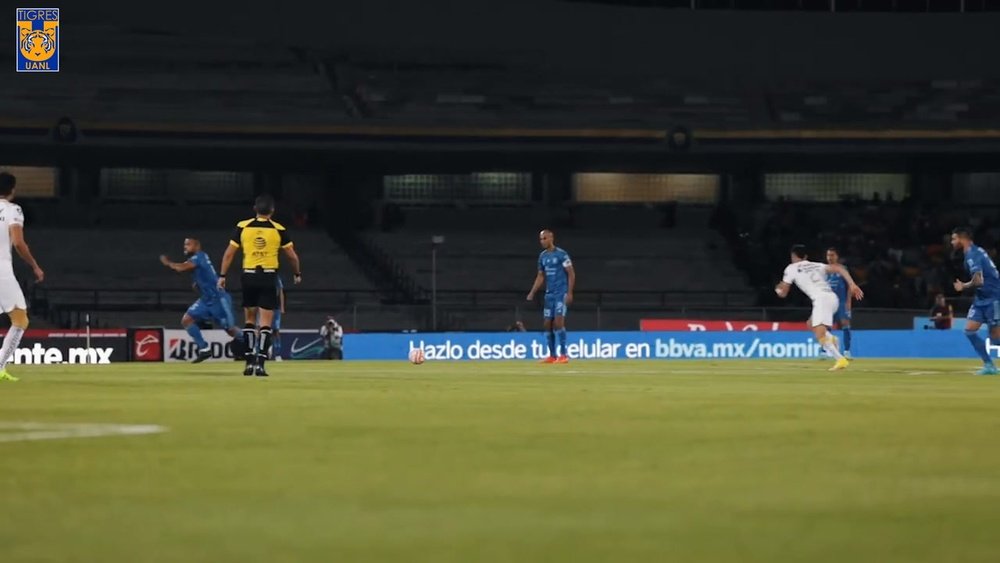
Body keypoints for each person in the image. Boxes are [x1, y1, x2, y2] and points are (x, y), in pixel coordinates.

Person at [218, 195, 302, 377]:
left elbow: (228, 254)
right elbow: (292, 256)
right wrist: (297, 273)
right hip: (268, 276)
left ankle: (248, 363)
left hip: (248, 276)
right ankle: (261, 364)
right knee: (265, 323)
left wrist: (222, 275)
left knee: (249, 320)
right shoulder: (279, 229)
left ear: (255, 209)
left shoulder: (243, 226)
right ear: (272, 211)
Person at [775, 245, 864, 371]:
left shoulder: (791, 268)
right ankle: (831, 338)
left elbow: (783, 293)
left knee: (818, 332)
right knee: (810, 323)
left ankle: (840, 359)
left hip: (821, 299)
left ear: (793, 256)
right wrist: (853, 284)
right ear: (805, 256)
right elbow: (839, 269)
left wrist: (777, 290)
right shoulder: (818, 265)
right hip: (832, 298)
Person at [160, 238, 241, 363]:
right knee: (187, 320)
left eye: (188, 244)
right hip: (206, 300)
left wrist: (168, 263)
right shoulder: (197, 259)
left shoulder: (199, 256)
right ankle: (204, 349)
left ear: (197, 245)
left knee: (230, 329)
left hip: (218, 299)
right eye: (184, 244)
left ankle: (254, 345)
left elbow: (181, 268)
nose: (185, 247)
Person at [0, 172, 44, 382]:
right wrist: (34, 265)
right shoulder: (13, 210)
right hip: (1, 269)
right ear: (12, 190)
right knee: (20, 318)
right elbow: (18, 242)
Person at [951, 227, 1000, 375]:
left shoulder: (973, 255)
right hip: (981, 299)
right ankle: (989, 366)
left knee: (996, 339)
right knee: (970, 331)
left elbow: (978, 281)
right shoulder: (974, 252)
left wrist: (962, 286)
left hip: (993, 298)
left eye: (954, 239)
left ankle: (989, 365)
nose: (952, 242)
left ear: (962, 239)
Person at [526, 229, 575, 364]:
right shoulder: (542, 257)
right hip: (549, 295)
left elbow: (571, 273)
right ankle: (552, 356)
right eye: (541, 239)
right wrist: (532, 292)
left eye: (545, 238)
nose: (542, 241)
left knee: (558, 323)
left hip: (561, 293)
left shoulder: (561, 254)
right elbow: (541, 276)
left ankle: (564, 355)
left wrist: (570, 292)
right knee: (547, 324)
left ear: (551, 238)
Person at [825, 247, 854, 358]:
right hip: (828, 303)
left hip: (841, 302)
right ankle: (825, 351)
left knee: (845, 324)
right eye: (828, 255)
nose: (830, 257)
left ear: (837, 256)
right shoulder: (824, 270)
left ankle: (847, 351)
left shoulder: (842, 269)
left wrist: (848, 302)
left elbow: (849, 287)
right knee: (826, 326)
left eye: (832, 255)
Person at [256, 276, 285, 361]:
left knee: (276, 330)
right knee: (259, 329)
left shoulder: (276, 277)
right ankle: (258, 352)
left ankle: (278, 354)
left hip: (275, 307)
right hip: (262, 305)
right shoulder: (259, 278)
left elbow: (280, 291)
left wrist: (282, 307)